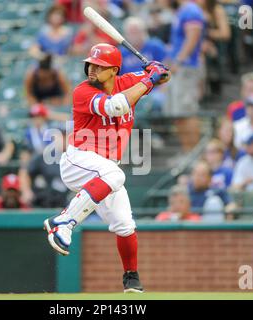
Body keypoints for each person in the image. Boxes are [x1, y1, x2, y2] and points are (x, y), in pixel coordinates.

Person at [43, 43, 170, 293]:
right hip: (78, 160)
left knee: (125, 224)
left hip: (103, 172)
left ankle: (131, 278)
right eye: (90, 64)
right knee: (115, 175)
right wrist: (150, 79)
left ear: (113, 70)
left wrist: (158, 70)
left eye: (99, 66)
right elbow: (117, 106)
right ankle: (63, 222)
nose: (91, 69)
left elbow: (164, 76)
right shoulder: (83, 91)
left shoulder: (128, 82)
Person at [166, 0, 205, 152]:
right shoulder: (183, 10)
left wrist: (179, 61)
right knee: (179, 114)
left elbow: (193, 37)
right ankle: (187, 152)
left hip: (186, 68)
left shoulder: (191, 9)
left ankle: (194, 155)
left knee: (187, 112)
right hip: (179, 69)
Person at [19, 130, 69, 208]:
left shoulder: (73, 157)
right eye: (61, 137)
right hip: (43, 201)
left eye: (66, 137)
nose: (64, 141)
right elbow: (25, 171)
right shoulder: (44, 156)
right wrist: (26, 191)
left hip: (65, 201)